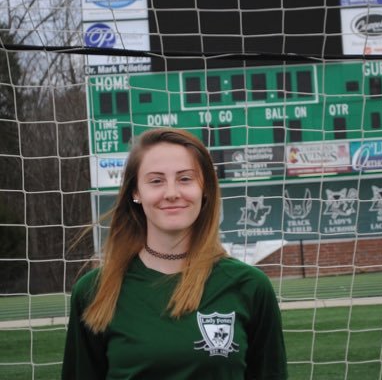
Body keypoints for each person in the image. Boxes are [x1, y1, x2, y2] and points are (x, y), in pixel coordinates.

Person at [62, 127, 288, 380]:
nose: (171, 193)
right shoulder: (95, 291)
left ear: (205, 190)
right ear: (135, 192)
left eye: (185, 179)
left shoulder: (250, 287)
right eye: (156, 180)